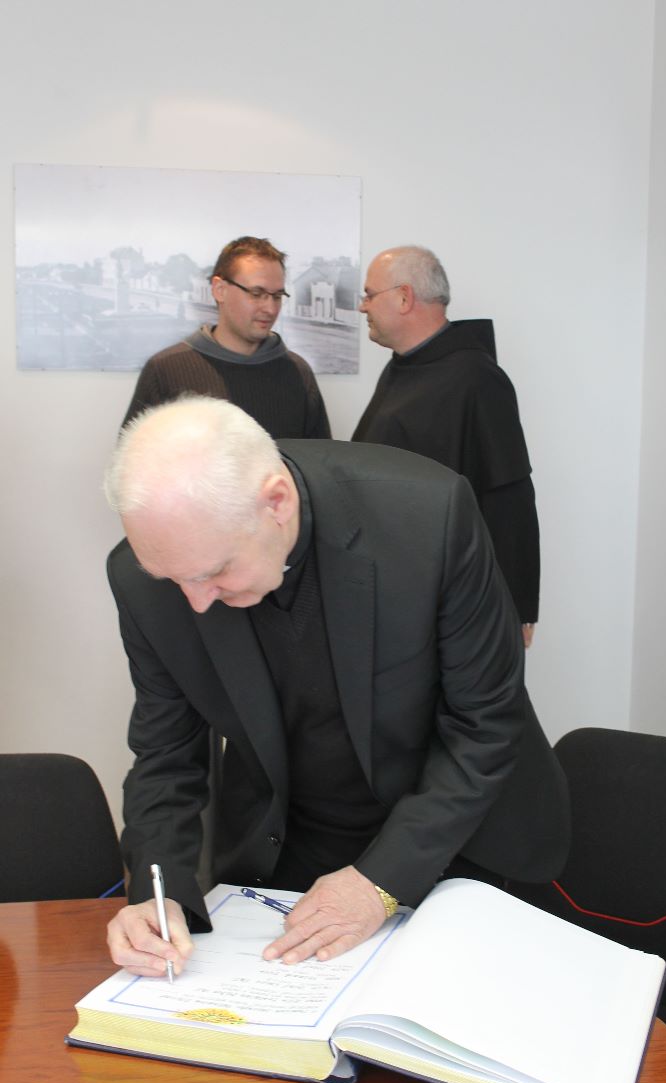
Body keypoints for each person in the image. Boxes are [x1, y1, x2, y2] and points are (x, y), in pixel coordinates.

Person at [103, 397, 569, 978]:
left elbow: (485, 725)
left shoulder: (428, 516)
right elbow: (166, 754)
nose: (196, 602)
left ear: (277, 502)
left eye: (215, 572)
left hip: (459, 840)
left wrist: (380, 881)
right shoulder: (146, 578)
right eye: (174, 579)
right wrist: (159, 892)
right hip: (291, 846)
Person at [353, 245, 539, 647]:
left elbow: (509, 495)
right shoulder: (404, 365)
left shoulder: (477, 379)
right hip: (396, 586)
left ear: (404, 297)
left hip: (450, 597)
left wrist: (516, 605)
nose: (362, 306)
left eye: (369, 294)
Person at [121, 236, 331, 439]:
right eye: (256, 294)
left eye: (277, 296)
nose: (270, 308)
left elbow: (320, 459)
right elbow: (133, 458)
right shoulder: (165, 370)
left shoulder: (298, 373)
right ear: (219, 290)